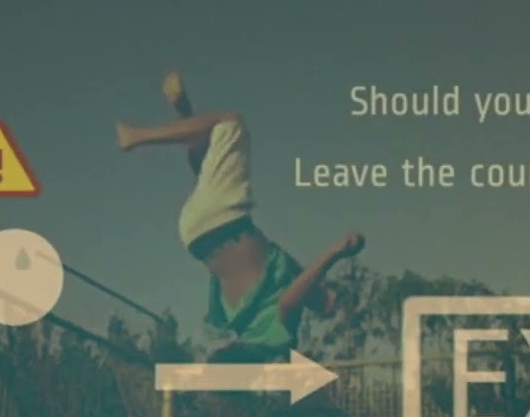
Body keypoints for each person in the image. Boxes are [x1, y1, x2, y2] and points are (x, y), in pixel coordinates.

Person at [117, 71, 365, 364]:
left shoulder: (279, 337)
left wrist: (335, 252)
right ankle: (185, 114)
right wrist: (325, 296)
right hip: (198, 234)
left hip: (225, 222)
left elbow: (291, 300)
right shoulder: (245, 320)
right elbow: (300, 285)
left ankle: (137, 136)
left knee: (231, 123)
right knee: (209, 170)